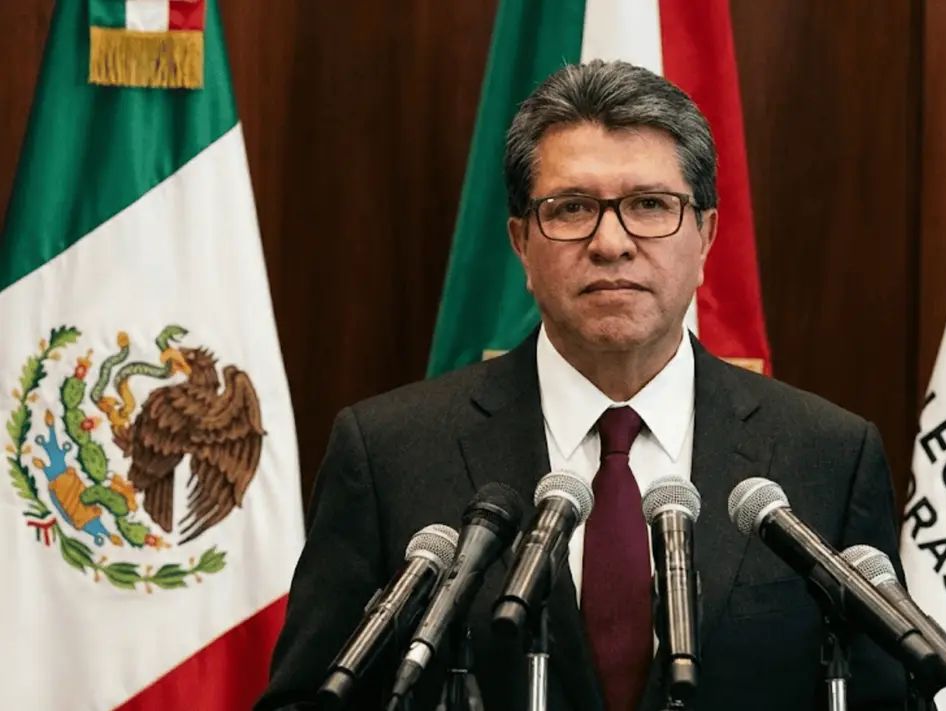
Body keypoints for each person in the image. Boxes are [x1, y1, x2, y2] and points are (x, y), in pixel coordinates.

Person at [259, 59, 908, 711]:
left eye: (650, 205)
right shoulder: (389, 453)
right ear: (521, 242)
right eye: (572, 208)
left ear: (706, 236)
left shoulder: (827, 455)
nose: (611, 243)